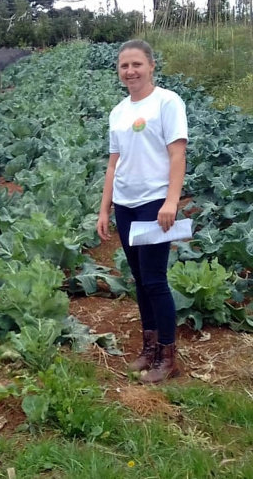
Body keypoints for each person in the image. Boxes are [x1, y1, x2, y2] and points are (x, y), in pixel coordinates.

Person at [96, 39, 188, 384]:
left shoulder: (167, 102)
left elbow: (177, 155)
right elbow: (113, 163)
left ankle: (167, 355)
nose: (130, 71)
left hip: (153, 201)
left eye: (136, 64)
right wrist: (104, 209)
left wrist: (171, 201)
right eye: (124, 66)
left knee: (155, 280)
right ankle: (149, 347)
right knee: (139, 279)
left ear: (151, 66)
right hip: (125, 203)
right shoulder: (118, 112)